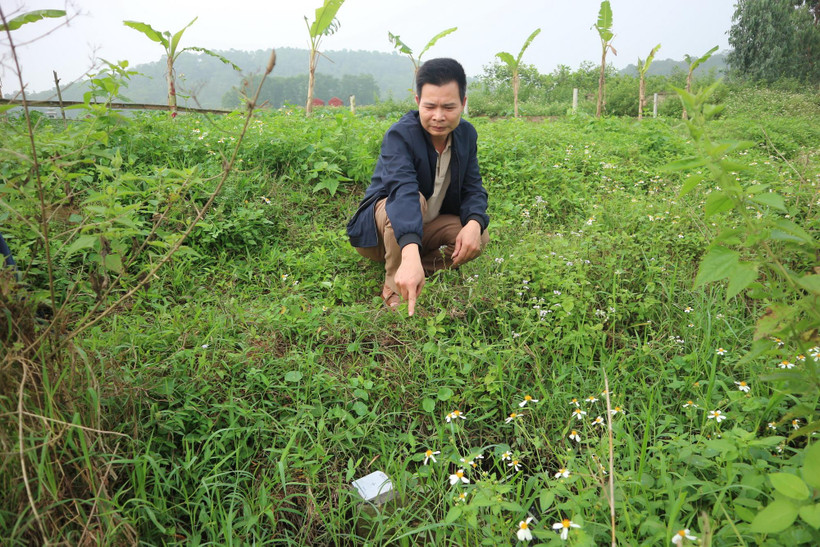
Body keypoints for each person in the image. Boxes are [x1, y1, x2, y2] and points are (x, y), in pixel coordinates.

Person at [346, 58, 489, 316]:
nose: (438, 116)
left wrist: (475, 222)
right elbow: (403, 195)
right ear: (417, 102)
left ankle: (415, 269)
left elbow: (473, 187)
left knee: (480, 234)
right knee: (414, 201)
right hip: (382, 233)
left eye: (448, 107)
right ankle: (395, 283)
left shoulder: (467, 135)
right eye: (430, 106)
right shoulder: (400, 135)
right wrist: (410, 250)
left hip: (426, 227)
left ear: (464, 104)